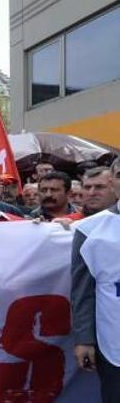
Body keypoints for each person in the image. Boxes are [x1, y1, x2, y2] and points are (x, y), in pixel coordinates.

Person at [71, 157, 120, 402]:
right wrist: (84, 338)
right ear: (113, 181)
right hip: (113, 340)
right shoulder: (89, 230)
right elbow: (82, 291)